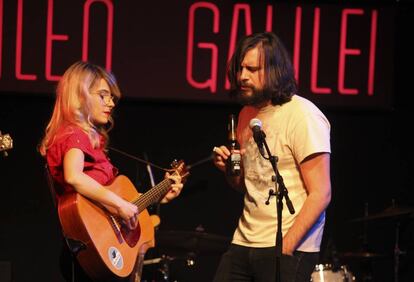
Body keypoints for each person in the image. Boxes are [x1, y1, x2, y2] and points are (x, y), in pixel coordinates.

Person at [39, 61, 184, 281]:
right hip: (89, 250)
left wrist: (159, 194)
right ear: (80, 96)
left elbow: (118, 206)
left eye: (112, 98)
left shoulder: (79, 138)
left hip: (90, 249)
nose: (111, 103)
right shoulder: (75, 135)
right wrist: (119, 204)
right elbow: (74, 176)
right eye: (103, 95)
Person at [212, 32, 331, 281]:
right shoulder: (246, 114)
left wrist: (285, 247)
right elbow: (250, 186)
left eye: (252, 69)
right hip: (244, 240)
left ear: (275, 71)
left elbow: (321, 193)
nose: (242, 76)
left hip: (289, 245)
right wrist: (231, 172)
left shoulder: (303, 115)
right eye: (240, 68)